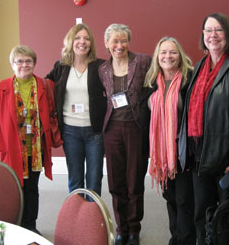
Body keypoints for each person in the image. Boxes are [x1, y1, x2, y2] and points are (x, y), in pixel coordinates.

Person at [177, 13, 229, 245]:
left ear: (228, 34)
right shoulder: (200, 65)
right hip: (199, 157)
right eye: (208, 30)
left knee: (227, 220)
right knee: (201, 215)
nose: (213, 35)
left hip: (227, 159)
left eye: (218, 30)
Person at [0, 45, 55, 234]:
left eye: (28, 61)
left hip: (36, 152)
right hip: (10, 153)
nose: (24, 65)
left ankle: (30, 226)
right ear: (12, 64)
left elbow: (52, 114)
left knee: (32, 189)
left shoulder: (44, 86)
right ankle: (14, 227)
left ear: (34, 63)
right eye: (19, 61)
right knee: (12, 191)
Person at [98, 23, 151, 245]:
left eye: (123, 40)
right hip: (112, 131)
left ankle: (134, 229)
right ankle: (121, 229)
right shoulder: (102, 70)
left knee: (134, 181)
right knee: (116, 182)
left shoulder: (143, 62)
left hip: (136, 128)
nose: (119, 45)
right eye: (115, 41)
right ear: (107, 44)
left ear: (129, 41)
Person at [144, 37, 196, 245]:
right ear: (158, 56)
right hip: (161, 153)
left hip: (184, 150)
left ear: (180, 55)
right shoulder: (151, 82)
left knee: (184, 200)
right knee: (170, 197)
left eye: (172, 52)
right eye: (163, 52)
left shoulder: (189, 79)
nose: (168, 56)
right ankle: (176, 237)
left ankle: (185, 240)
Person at [46, 23, 106, 196]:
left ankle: (93, 218)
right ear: (70, 41)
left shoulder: (100, 66)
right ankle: (77, 219)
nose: (82, 42)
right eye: (78, 38)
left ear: (91, 43)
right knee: (75, 178)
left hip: (94, 132)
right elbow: (43, 86)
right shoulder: (61, 66)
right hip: (70, 131)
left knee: (94, 179)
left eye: (86, 38)